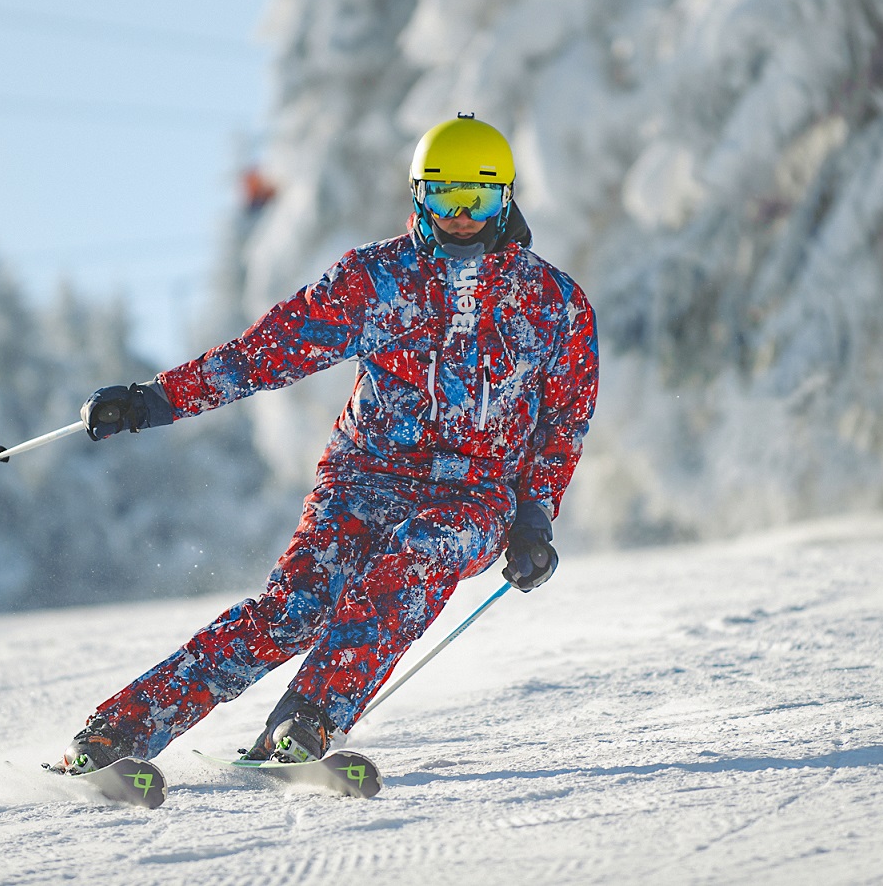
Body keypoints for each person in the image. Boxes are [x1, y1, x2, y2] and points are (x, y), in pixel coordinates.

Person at [58, 114, 599, 772]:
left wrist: (534, 516)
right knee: (293, 609)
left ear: (506, 199)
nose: (461, 217)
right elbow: (267, 351)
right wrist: (158, 398)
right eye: (444, 196)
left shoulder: (552, 303)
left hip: (475, 496)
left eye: (478, 199)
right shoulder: (376, 279)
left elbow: (563, 423)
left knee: (419, 555)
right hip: (365, 477)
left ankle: (306, 720)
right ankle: (117, 733)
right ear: (418, 195)